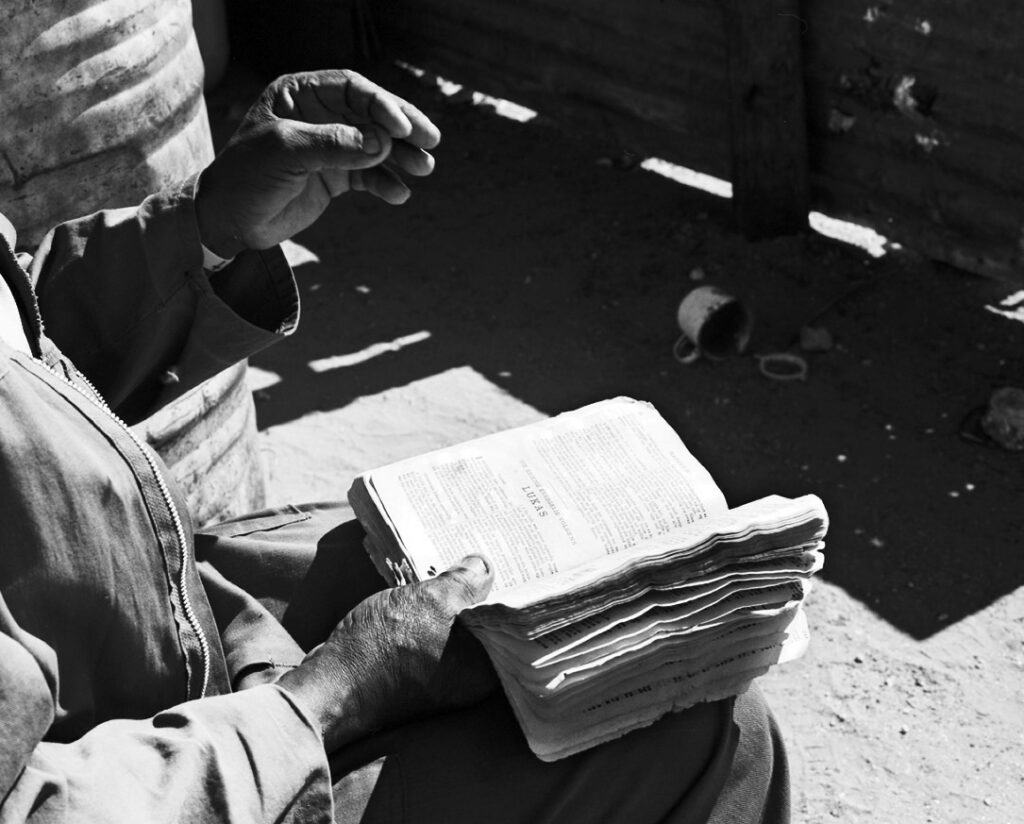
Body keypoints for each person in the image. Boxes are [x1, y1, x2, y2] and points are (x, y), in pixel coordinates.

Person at [0, 70, 790, 823]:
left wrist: (204, 231)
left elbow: (19, 350)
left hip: (137, 610)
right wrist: (332, 695)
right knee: (714, 743)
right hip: (156, 770)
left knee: (423, 569)